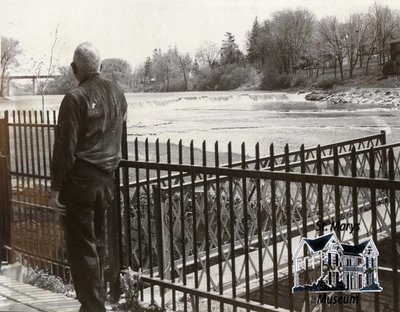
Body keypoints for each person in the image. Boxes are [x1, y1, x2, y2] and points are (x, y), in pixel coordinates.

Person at [51, 42, 127, 312]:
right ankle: (96, 301)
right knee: (99, 242)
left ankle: (93, 306)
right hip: (107, 180)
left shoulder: (74, 98)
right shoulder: (117, 93)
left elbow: (64, 150)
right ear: (101, 66)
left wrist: (56, 188)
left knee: (82, 247)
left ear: (74, 69)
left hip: (81, 183)